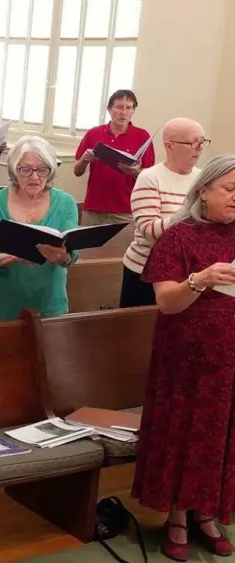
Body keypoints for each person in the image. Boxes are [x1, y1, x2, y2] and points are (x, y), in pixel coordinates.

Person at [131, 154, 235, 562]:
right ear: (203, 190)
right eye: (230, 189)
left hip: (231, 358)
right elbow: (167, 302)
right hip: (186, 356)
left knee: (221, 435)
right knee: (186, 432)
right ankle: (176, 515)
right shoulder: (178, 237)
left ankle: (207, 513)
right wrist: (200, 279)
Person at [0, 136, 78, 322]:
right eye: (26, 169)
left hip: (51, 303)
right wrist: (14, 256)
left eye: (42, 169)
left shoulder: (66, 203)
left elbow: (71, 256)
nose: (34, 177)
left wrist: (62, 257)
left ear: (50, 170)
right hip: (4, 304)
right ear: (14, 169)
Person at [120, 118, 206, 308]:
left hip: (187, 273)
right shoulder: (150, 177)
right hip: (144, 270)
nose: (200, 148)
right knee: (141, 326)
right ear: (169, 146)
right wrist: (192, 214)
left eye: (202, 141)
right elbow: (149, 229)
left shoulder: (202, 178)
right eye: (193, 142)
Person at [74, 89, 155, 225]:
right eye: (119, 107)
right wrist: (85, 159)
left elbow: (150, 177)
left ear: (133, 111)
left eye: (128, 108)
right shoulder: (93, 133)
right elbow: (77, 172)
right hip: (94, 208)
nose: (123, 112)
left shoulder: (142, 136)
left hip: (126, 211)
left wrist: (136, 172)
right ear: (109, 110)